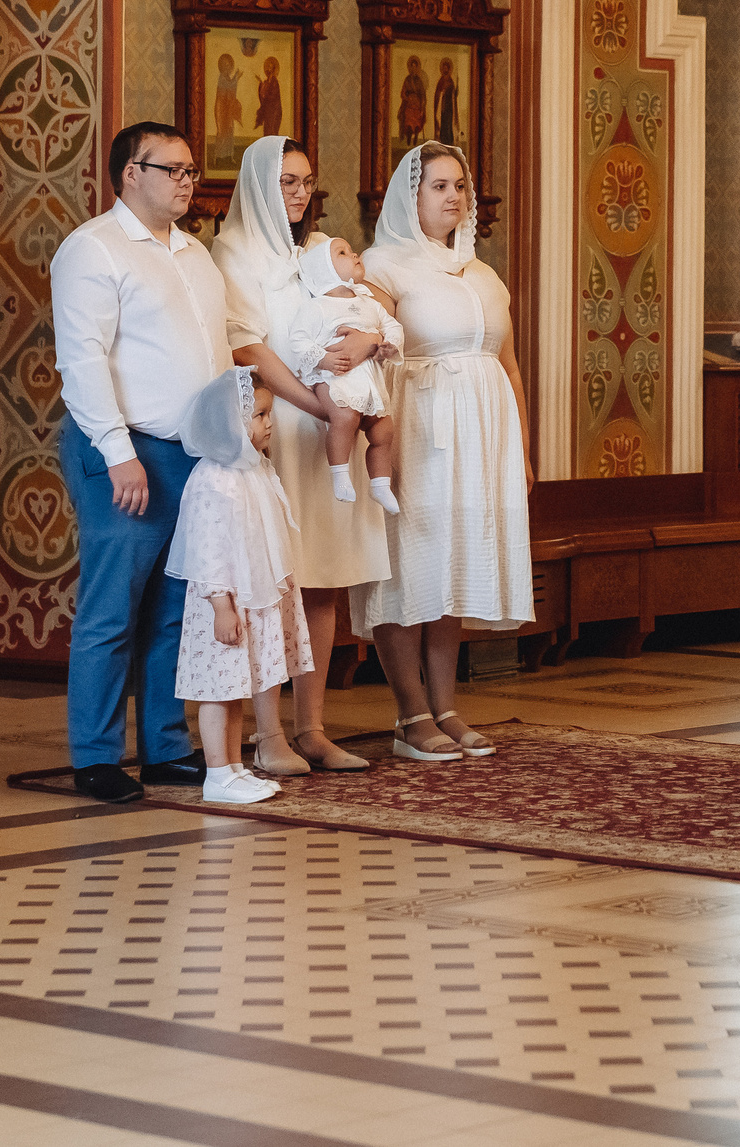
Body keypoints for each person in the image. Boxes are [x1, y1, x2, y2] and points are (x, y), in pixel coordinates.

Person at [51, 122, 237, 803]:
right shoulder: (93, 249)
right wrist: (119, 452)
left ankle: (164, 745)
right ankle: (96, 756)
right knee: (112, 609)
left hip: (193, 453)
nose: (188, 180)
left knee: (174, 609)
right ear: (130, 172)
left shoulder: (195, 254)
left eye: (192, 170)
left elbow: (217, 353)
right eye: (174, 169)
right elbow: (84, 359)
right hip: (124, 450)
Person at [213, 135, 390, 774]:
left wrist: (368, 343)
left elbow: (372, 307)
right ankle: (267, 734)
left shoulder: (324, 249)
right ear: (259, 184)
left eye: (306, 180)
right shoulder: (234, 251)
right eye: (286, 181)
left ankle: (311, 727)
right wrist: (315, 407)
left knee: (322, 576)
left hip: (333, 423)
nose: (298, 192)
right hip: (280, 422)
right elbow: (247, 349)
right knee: (273, 578)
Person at [357, 142, 532, 762]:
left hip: (482, 436)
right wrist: (383, 450)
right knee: (411, 567)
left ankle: (447, 705)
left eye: (460, 185)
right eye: (437, 186)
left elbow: (507, 365)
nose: (454, 196)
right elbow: (372, 366)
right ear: (411, 195)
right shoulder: (382, 266)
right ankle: (410, 715)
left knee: (453, 566)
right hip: (419, 429)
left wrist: (523, 451)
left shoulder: (482, 272)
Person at [167, 367, 303, 805]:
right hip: (222, 604)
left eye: (269, 414)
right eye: (260, 414)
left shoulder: (254, 470)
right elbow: (206, 549)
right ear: (229, 423)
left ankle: (233, 768)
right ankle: (216, 774)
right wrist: (221, 605)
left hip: (248, 598)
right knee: (217, 690)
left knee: (236, 689)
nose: (269, 423)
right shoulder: (214, 478)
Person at [293, 235, 403, 510]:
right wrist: (324, 359)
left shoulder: (370, 303)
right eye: (343, 253)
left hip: (368, 381)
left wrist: (390, 344)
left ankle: (380, 485)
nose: (355, 255)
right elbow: (298, 341)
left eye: (352, 250)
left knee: (383, 430)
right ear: (325, 270)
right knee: (344, 417)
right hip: (335, 377)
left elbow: (393, 326)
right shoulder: (316, 307)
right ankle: (340, 475)